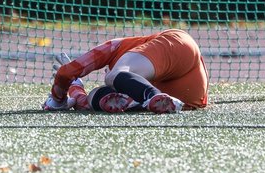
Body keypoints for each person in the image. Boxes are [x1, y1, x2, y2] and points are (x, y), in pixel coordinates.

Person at [42, 29, 208, 114]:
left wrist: (58, 100)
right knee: (98, 94)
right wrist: (75, 87)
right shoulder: (133, 84)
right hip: (188, 96)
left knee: (114, 76)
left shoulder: (116, 46)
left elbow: (66, 72)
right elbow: (84, 103)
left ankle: (152, 95)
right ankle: (153, 98)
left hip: (177, 42)